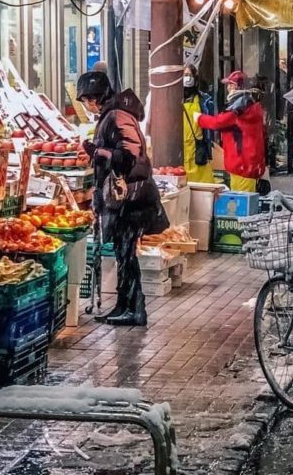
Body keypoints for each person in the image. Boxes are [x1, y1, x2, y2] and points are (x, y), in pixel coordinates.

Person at [77, 71, 168, 327]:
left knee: (127, 254)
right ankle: (124, 305)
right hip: (127, 197)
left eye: (86, 100)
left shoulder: (116, 116)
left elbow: (129, 155)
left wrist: (99, 152)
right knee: (123, 252)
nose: (86, 106)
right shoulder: (113, 114)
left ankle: (134, 310)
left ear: (95, 97)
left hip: (131, 197)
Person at [197, 70, 266, 193]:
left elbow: (218, 122)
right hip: (245, 165)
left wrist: (199, 118)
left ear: (236, 87)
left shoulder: (240, 107)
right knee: (244, 202)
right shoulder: (248, 104)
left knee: (242, 205)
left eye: (230, 84)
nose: (228, 88)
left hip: (243, 166)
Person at [182, 63, 215, 185]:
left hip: (198, 148)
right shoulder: (174, 98)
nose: (188, 78)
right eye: (185, 75)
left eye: (190, 75)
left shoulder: (203, 99)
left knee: (204, 186)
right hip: (181, 148)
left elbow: (211, 122)